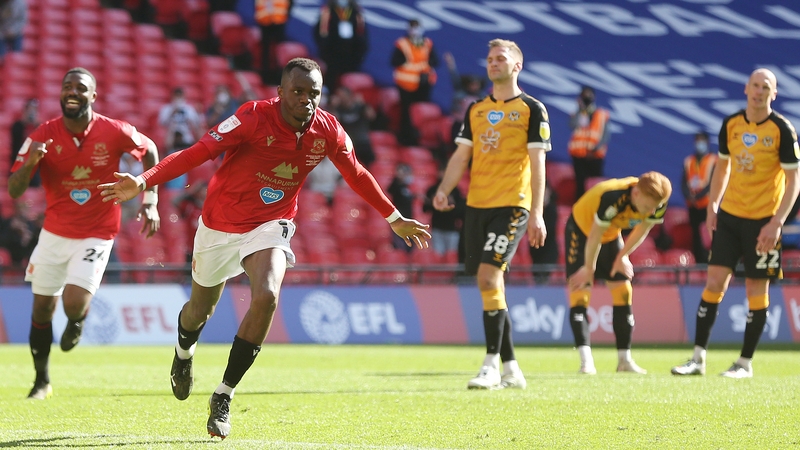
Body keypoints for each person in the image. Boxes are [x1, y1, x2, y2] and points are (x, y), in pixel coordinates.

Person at [98, 58, 431, 439]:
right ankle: (183, 354)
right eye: (298, 92)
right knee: (197, 312)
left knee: (268, 295)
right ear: (280, 92)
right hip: (219, 224)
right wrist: (143, 182)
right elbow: (198, 153)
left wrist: (394, 217)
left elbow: (356, 172)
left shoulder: (328, 130)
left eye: (314, 93)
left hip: (270, 224)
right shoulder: (252, 117)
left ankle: (223, 395)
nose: (307, 100)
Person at [8, 67, 160, 400]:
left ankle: (76, 321)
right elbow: (14, 189)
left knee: (74, 304)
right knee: (41, 311)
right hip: (54, 233)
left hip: (97, 232)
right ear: (61, 94)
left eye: (80, 87)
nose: (72, 92)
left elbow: (149, 150)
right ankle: (42, 380)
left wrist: (151, 199)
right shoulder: (41, 136)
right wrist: (32, 162)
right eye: (66, 87)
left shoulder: (115, 130)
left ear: (93, 96)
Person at [433, 39, 549, 390]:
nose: (494, 63)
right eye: (490, 59)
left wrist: (538, 213)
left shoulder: (532, 109)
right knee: (491, 283)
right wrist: (444, 188)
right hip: (477, 206)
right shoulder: (476, 109)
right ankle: (512, 367)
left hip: (512, 204)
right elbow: (460, 156)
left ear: (517, 66)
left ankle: (490, 366)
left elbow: (538, 164)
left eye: (501, 59)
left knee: (486, 277)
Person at [672, 68, 800, 379]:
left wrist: (777, 223)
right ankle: (697, 359)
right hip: (730, 216)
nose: (759, 91)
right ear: (746, 89)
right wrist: (713, 205)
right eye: (755, 85)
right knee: (714, 283)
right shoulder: (731, 124)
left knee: (757, 288)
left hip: (763, 222)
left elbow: (793, 180)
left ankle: (744, 363)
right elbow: (723, 168)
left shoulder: (782, 130)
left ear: (774, 93)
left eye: (765, 86)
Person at [566, 172, 672, 375]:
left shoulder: (657, 203)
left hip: (611, 234)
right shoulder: (612, 197)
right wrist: (589, 269)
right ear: (636, 193)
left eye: (655, 207)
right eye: (648, 206)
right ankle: (586, 362)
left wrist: (622, 256)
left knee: (623, 290)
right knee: (581, 291)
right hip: (582, 232)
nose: (651, 211)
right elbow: (595, 234)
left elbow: (643, 229)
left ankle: (625, 360)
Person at [391, 18, 438, 146]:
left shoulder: (427, 43)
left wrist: (426, 66)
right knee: (406, 113)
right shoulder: (402, 44)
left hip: (423, 85)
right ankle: (405, 139)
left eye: (417, 28)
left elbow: (435, 61)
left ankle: (420, 139)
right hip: (406, 85)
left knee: (421, 114)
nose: (415, 31)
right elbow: (394, 61)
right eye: (412, 28)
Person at [313, 0, 368, 89]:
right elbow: (319, 34)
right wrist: (325, 53)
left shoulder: (356, 13)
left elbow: (362, 35)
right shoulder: (328, 12)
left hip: (351, 57)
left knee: (347, 85)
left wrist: (358, 55)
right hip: (332, 57)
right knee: (330, 82)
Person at [568, 85, 611, 199]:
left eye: (589, 95)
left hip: (595, 156)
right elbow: (572, 125)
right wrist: (580, 110)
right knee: (580, 184)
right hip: (579, 155)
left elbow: (606, 134)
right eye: (584, 95)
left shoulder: (601, 114)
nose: (587, 97)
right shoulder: (579, 113)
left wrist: (596, 148)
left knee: (596, 182)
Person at [680, 131, 716, 263]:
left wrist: (699, 196)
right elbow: (683, 182)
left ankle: (710, 260)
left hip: (707, 204)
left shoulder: (713, 160)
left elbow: (714, 182)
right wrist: (689, 196)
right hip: (693, 205)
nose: (699, 143)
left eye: (702, 140)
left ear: (707, 142)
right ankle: (699, 260)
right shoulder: (689, 161)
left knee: (710, 233)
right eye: (697, 140)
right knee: (695, 234)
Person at [158, 87, 205, 188]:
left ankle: (185, 186)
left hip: (186, 140)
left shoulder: (189, 109)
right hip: (172, 140)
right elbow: (162, 123)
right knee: (173, 164)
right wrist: (173, 112)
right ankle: (174, 187)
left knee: (184, 165)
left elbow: (196, 125)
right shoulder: (167, 109)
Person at [328, 85, 375, 168]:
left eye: (343, 96)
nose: (341, 98)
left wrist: (363, 103)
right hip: (347, 144)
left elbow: (371, 116)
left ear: (349, 95)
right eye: (339, 96)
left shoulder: (360, 107)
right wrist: (332, 106)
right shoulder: (338, 109)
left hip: (363, 143)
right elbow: (332, 123)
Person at [423, 167, 464, 258]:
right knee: (437, 256)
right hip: (437, 228)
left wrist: (452, 203)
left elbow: (461, 211)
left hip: (452, 228)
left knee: (452, 256)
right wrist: (432, 202)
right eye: (441, 171)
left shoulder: (455, 190)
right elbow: (425, 209)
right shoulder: (432, 189)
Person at [255, 0, 293, 85]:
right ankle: (265, 76)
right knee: (266, 51)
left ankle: (279, 76)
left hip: (279, 21)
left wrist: (286, 16)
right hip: (265, 21)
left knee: (279, 51)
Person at [530, 180, 558, 284]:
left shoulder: (551, 209)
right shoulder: (531, 210)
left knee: (545, 277)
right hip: (534, 248)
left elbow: (549, 230)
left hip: (548, 250)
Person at [0, 198, 41, 268]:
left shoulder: (31, 224)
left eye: (25, 210)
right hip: (12, 251)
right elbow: (3, 241)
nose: (23, 212)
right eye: (21, 210)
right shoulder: (8, 223)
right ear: (16, 210)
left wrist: (25, 235)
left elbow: (33, 242)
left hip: (26, 253)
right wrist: (13, 230)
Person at [10, 99, 41, 187]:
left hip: (34, 167)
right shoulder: (17, 126)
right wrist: (24, 123)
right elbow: (16, 142)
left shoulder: (39, 127)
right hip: (19, 164)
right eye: (29, 110)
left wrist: (35, 125)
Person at [387, 163, 416, 253]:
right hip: (398, 220)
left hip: (408, 220)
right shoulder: (396, 186)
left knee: (410, 246)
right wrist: (397, 179)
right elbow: (390, 190)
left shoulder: (407, 188)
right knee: (400, 246)